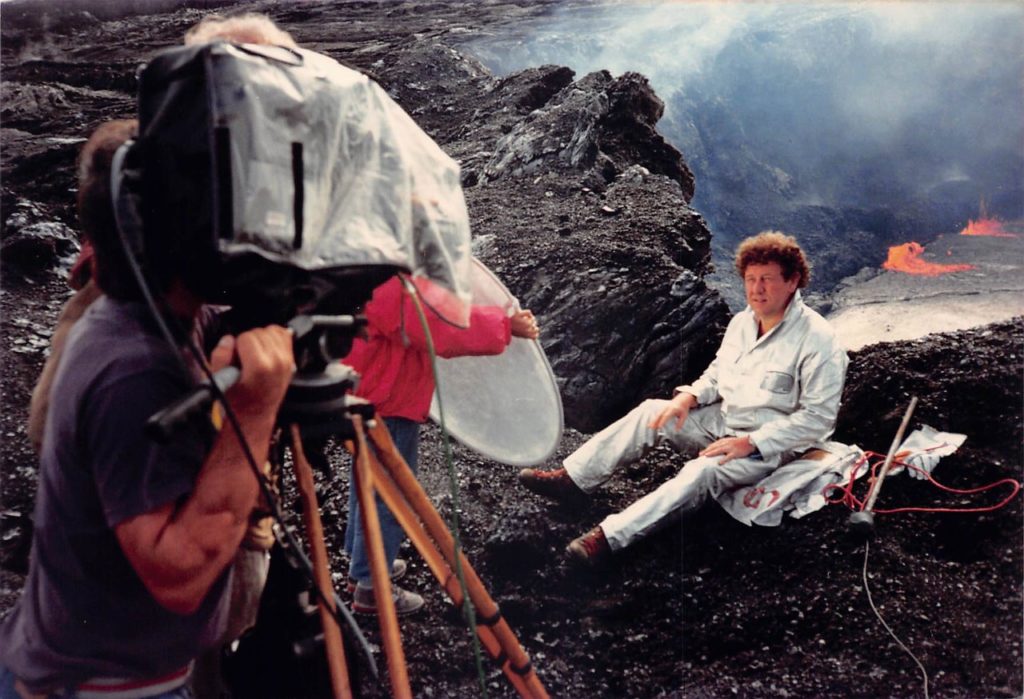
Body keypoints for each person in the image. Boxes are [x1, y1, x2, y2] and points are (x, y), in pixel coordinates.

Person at [0, 115, 295, 699]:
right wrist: (256, 411)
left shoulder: (160, 317)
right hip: (104, 686)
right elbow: (179, 573)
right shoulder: (131, 370)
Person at [519, 231, 848, 564]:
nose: (756, 289)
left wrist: (753, 442)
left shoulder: (818, 340)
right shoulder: (742, 324)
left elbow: (818, 419)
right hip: (724, 422)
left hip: (774, 448)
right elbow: (718, 375)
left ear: (793, 281)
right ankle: (574, 480)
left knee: (702, 473)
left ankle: (608, 538)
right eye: (750, 279)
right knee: (651, 413)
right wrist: (688, 397)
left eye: (767, 279)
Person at [341, 275, 539, 614]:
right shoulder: (390, 282)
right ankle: (371, 586)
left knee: (368, 481)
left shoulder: (362, 267)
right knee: (391, 495)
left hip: (362, 391)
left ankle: (360, 565)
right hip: (389, 402)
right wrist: (504, 325)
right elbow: (439, 328)